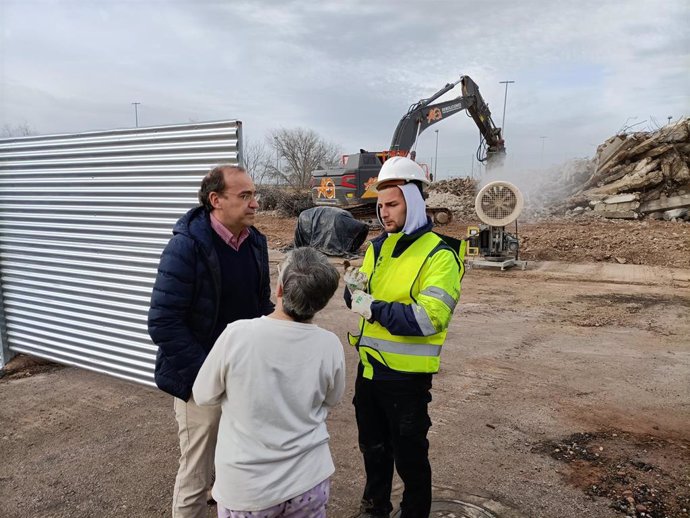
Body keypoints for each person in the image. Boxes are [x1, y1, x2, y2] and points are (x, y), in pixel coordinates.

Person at [148, 164, 274, 518]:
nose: (255, 204)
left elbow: (260, 306)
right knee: (197, 474)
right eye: (245, 195)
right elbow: (163, 322)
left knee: (238, 464)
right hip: (198, 382)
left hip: (243, 378)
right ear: (216, 200)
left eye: (254, 195)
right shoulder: (186, 247)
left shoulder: (256, 243)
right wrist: (209, 376)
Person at [344, 156, 463, 518]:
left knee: (411, 458)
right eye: (380, 206)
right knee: (373, 448)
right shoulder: (378, 247)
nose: (383, 213)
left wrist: (371, 306)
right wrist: (358, 296)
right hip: (370, 370)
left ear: (412, 201)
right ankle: (374, 506)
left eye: (392, 204)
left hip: (406, 379)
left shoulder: (441, 255)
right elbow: (354, 294)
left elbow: (428, 319)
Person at [192, 247, 346, 518]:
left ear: (279, 289)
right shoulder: (330, 344)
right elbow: (333, 398)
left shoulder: (238, 335)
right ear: (322, 301)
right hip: (309, 480)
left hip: (248, 489)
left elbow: (203, 394)